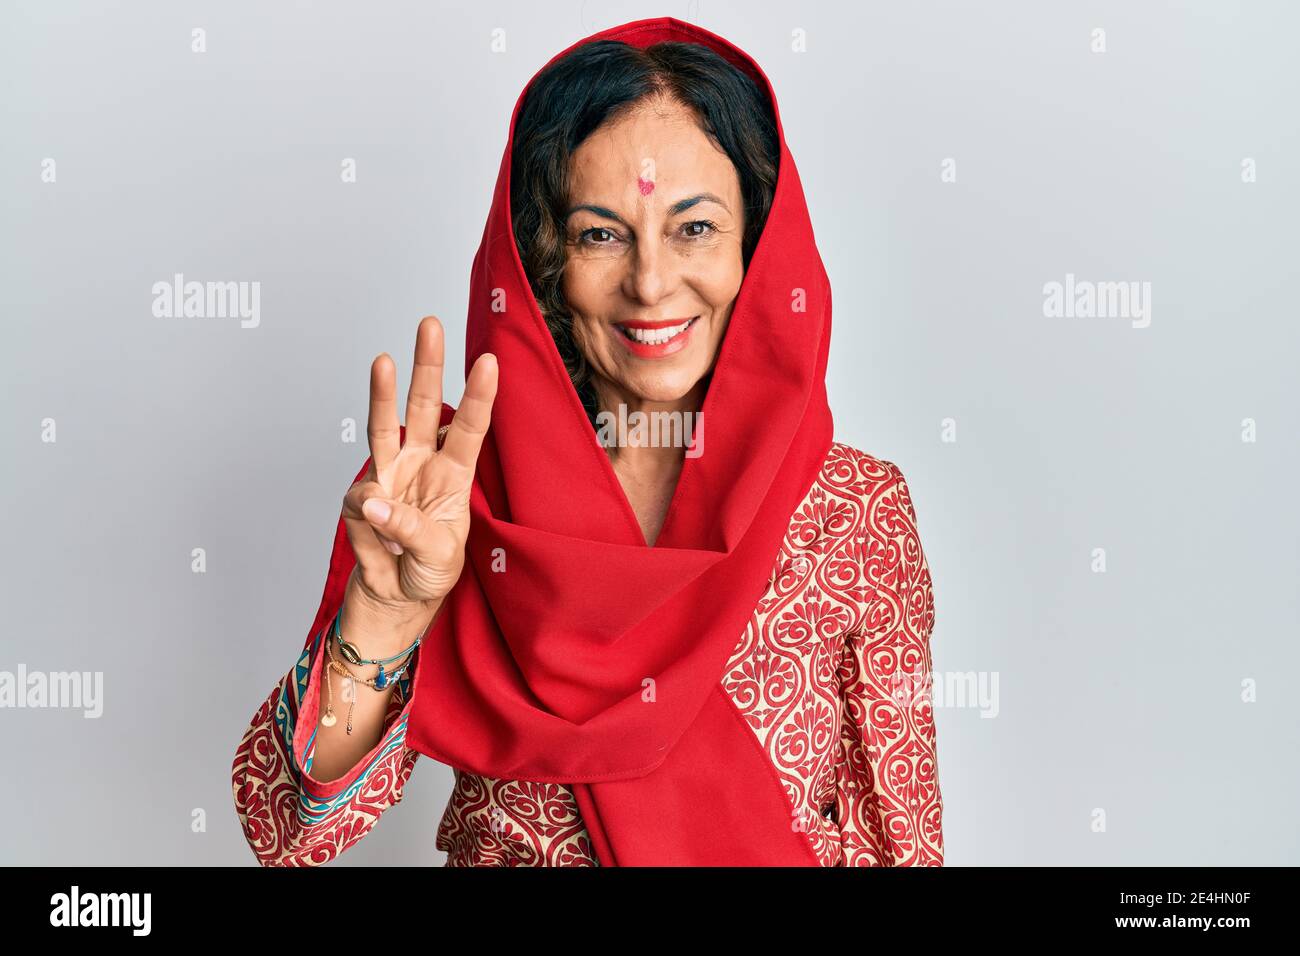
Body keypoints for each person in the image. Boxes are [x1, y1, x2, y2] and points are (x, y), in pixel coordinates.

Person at [232, 16, 943, 867]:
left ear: (759, 247)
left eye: (696, 228)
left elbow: (900, 842)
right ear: (542, 259)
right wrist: (384, 617)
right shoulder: (453, 498)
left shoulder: (855, 510)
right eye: (600, 234)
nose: (650, 282)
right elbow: (290, 836)